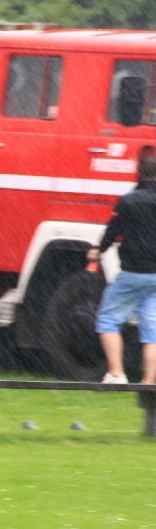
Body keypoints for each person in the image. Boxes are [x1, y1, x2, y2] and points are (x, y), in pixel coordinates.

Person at [87, 151, 156, 385]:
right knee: (152, 329)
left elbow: (113, 229)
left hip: (132, 273)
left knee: (108, 319)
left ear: (141, 174)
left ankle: (116, 374)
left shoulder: (128, 201)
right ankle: (149, 381)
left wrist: (99, 249)